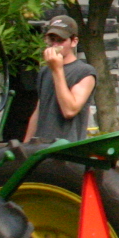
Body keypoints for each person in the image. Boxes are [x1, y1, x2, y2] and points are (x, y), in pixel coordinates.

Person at [23, 15, 96, 144]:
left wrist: (57, 70)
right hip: (41, 145)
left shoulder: (85, 72)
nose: (55, 44)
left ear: (74, 42)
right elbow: (39, 109)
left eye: (61, 40)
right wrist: (26, 143)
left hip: (66, 148)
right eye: (52, 39)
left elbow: (69, 110)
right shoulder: (45, 71)